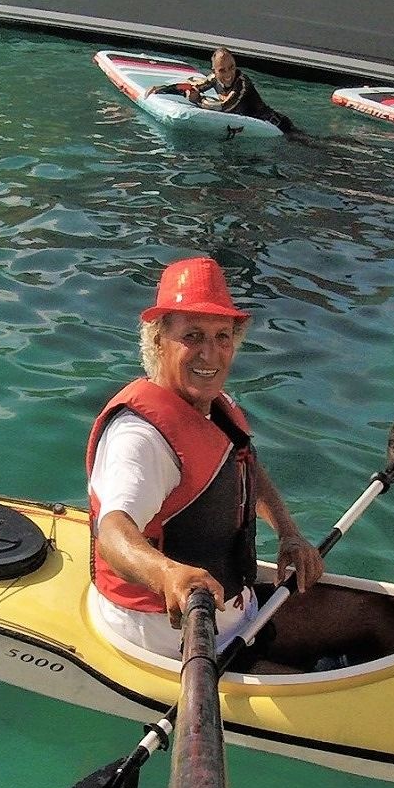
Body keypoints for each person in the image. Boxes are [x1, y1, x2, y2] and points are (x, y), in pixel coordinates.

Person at [86, 256, 324, 660]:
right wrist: (167, 573)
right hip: (164, 631)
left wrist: (288, 531)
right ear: (158, 340)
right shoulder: (140, 438)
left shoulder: (216, 406)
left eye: (222, 337)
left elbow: (245, 467)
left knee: (375, 626)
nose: (210, 355)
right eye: (192, 336)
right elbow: (112, 532)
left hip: (235, 610)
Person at [185, 47, 295, 135]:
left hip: (278, 124)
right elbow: (193, 86)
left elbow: (225, 107)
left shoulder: (242, 83)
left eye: (231, 67)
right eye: (222, 70)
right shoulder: (214, 78)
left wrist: (198, 100)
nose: (228, 74)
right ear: (214, 71)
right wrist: (187, 91)